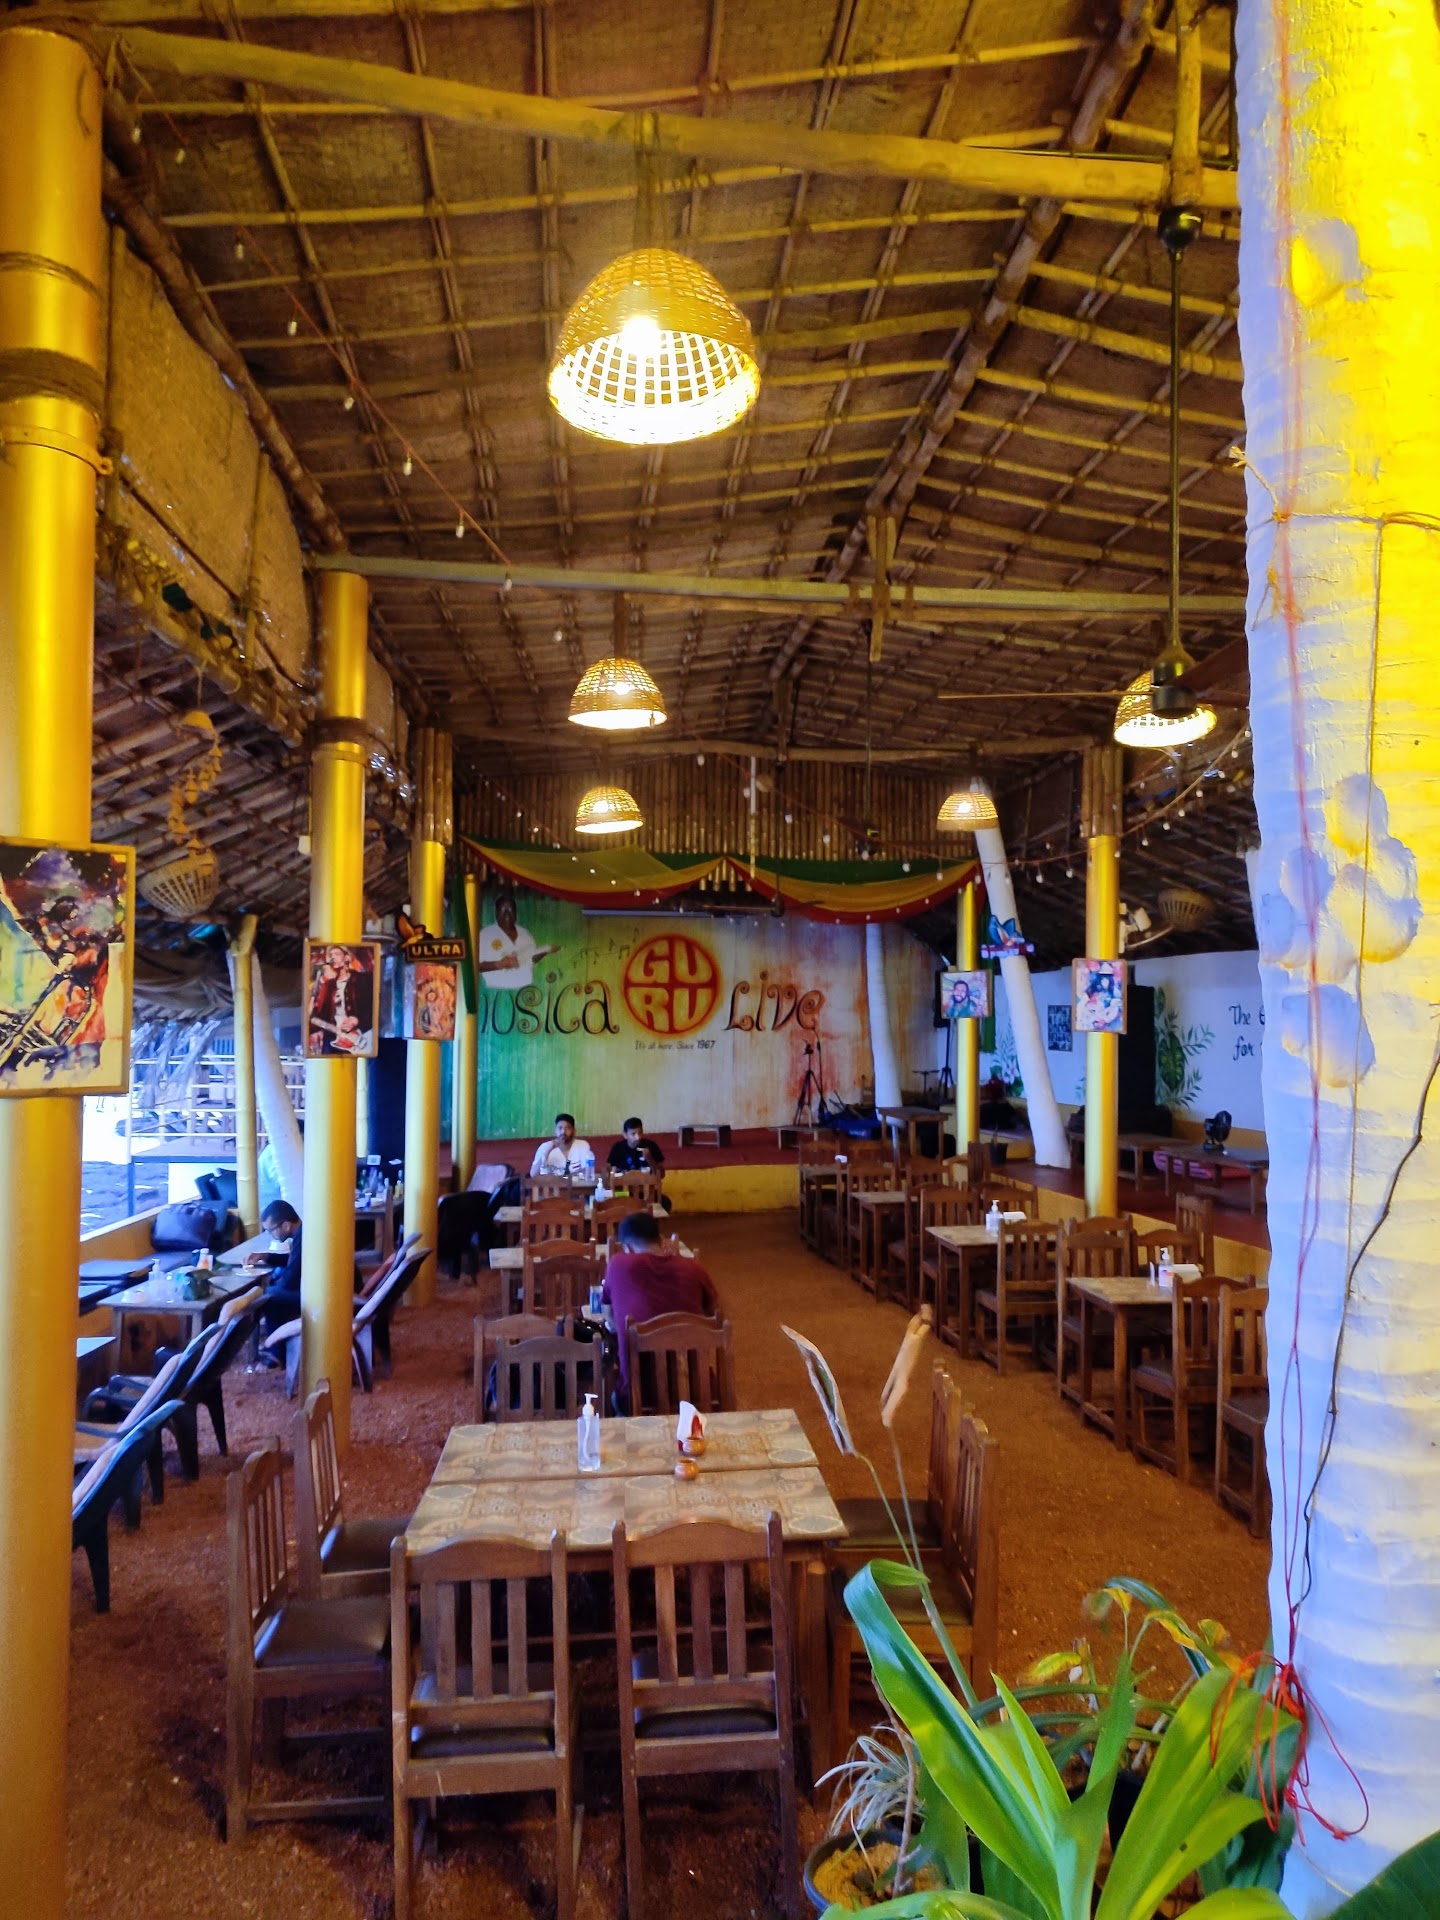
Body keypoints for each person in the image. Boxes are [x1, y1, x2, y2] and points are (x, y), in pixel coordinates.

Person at [601, 1211, 719, 1405]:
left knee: (613, 1396)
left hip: (638, 1397)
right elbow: (713, 1316)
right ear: (662, 1240)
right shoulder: (694, 1268)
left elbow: (610, 1318)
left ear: (627, 1247)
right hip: (697, 1393)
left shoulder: (618, 1265)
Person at [475, 891, 559, 992]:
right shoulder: (485, 934)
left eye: (510, 909)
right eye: (503, 909)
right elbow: (475, 966)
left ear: (516, 914)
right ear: (496, 913)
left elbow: (530, 959)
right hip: (496, 991)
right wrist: (499, 964)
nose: (507, 913)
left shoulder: (525, 933)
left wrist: (545, 951)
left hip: (525, 989)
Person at [245, 1198, 304, 1337]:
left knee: (268, 1296)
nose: (270, 1235)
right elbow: (294, 1261)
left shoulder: (303, 1237)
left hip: (322, 1296)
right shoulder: (302, 1232)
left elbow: (290, 1280)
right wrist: (266, 1256)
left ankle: (275, 1348)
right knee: (272, 1286)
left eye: (270, 1230)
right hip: (316, 1288)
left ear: (286, 1226)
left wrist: (273, 1286)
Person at [606, 1116, 672, 1211]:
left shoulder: (651, 1146)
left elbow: (661, 1175)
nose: (638, 1137)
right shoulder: (618, 1148)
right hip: (625, 1192)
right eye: (633, 1134)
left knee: (665, 1203)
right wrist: (612, 1172)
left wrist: (649, 1159)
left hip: (647, 1192)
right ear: (625, 1135)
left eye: (640, 1133)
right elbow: (608, 1171)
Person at [530, 1112, 594, 1177]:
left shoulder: (583, 1145)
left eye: (567, 1128)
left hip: (576, 1183)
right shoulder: (545, 1147)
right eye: (560, 1128)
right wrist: (548, 1151)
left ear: (574, 1131)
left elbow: (588, 1173)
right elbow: (533, 1175)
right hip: (552, 1183)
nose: (563, 1132)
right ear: (555, 1130)